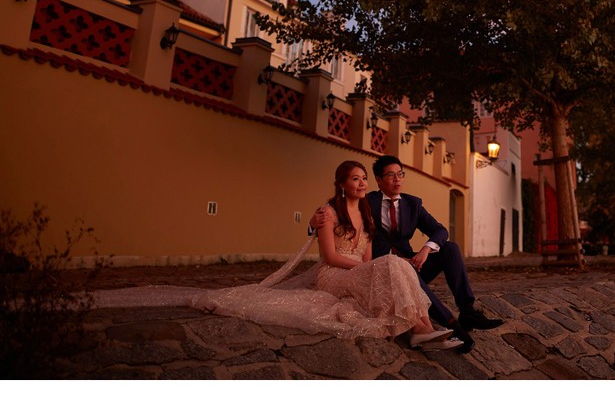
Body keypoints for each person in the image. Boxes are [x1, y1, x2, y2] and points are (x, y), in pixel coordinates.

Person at [92, 161, 462, 350]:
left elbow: (367, 257)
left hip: (356, 271)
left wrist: (373, 267)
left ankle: (424, 331)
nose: (361, 184)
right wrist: (371, 267)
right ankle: (422, 329)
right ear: (341, 184)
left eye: (364, 179)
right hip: (333, 275)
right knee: (392, 263)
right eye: (355, 179)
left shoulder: (366, 214)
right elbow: (331, 258)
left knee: (392, 264)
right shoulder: (328, 212)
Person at [312, 155, 503, 353]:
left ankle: (468, 311)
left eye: (401, 174)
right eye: (391, 175)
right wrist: (312, 224)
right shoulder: (366, 202)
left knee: (451, 248)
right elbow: (335, 219)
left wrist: (425, 250)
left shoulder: (413, 204)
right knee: (399, 266)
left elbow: (440, 231)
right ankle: (453, 327)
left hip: (410, 263)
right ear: (378, 180)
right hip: (381, 269)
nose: (397, 179)